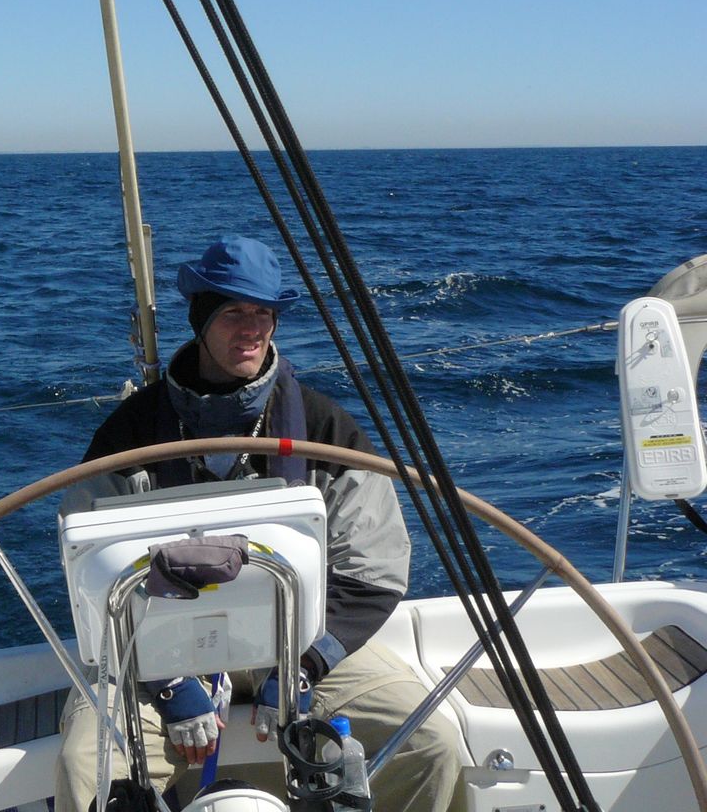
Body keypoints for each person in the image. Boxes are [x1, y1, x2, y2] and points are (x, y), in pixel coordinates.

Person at [55, 235, 465, 812]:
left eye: (263, 313)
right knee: (86, 766)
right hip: (156, 652)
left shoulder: (326, 428)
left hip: (303, 643)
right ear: (200, 320)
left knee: (430, 742)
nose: (251, 329)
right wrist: (166, 683)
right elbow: (94, 579)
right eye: (233, 313)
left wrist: (303, 666)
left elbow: (372, 572)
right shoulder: (129, 435)